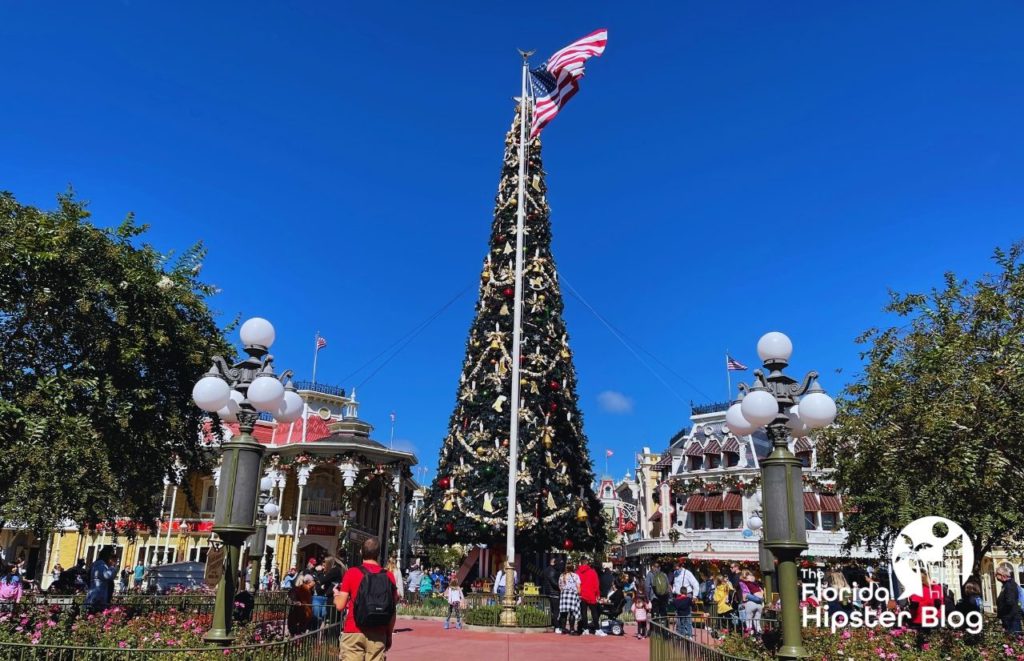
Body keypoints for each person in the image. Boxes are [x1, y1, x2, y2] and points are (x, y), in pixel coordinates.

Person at [333, 537, 398, 661]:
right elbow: (392, 610)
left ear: (361, 552)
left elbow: (340, 606)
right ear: (378, 554)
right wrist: (388, 634)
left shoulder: (352, 573)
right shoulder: (388, 576)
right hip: (378, 632)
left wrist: (336, 595)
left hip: (354, 629)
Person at [576, 557, 604, 636]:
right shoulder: (592, 572)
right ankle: (597, 629)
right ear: (587, 562)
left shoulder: (577, 572)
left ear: (581, 563)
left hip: (582, 595)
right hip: (591, 594)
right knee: (594, 613)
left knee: (583, 613)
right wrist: (597, 594)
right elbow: (596, 584)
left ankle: (585, 629)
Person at [84, 546, 117, 613]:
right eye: (112, 557)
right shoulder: (100, 564)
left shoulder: (98, 564)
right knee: (95, 613)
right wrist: (113, 567)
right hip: (98, 595)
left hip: (97, 594)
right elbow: (107, 576)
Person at [315, 556, 344, 626]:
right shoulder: (337, 570)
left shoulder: (335, 570)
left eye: (325, 563)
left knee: (332, 618)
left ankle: (332, 635)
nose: (323, 566)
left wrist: (319, 572)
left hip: (333, 597)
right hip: (331, 596)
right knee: (331, 618)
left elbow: (323, 580)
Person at [996, 562, 1021, 634]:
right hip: (1008, 618)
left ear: (1002, 575)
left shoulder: (1009, 585)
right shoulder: (1005, 585)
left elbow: (1010, 602)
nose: (996, 577)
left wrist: (1003, 612)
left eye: (996, 574)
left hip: (1011, 618)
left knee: (1014, 640)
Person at [557, 561, 581, 635]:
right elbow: (578, 587)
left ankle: (563, 629)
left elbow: (559, 586)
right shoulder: (575, 576)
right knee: (572, 612)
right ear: (572, 568)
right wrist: (578, 593)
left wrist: (563, 591)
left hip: (564, 594)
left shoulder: (562, 575)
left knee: (564, 612)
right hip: (572, 594)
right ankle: (572, 629)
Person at [541, 556, 561, 628]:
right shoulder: (552, 570)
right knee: (556, 610)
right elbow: (553, 582)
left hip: (548, 592)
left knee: (550, 609)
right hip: (553, 592)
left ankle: (551, 623)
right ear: (553, 562)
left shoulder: (547, 570)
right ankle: (556, 625)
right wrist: (560, 587)